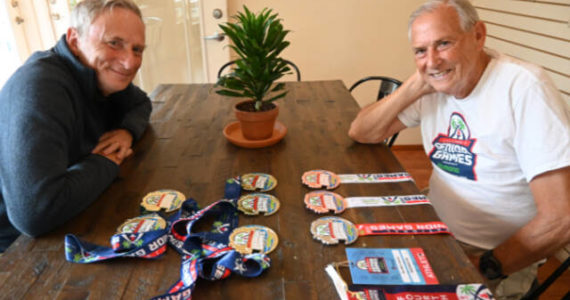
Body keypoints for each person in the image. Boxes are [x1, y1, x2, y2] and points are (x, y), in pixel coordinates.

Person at [349, 0, 570, 298]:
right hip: (433, 228)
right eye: (420, 50)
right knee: (349, 259)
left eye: (443, 44)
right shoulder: (435, 83)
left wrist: (486, 265)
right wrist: (416, 84)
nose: (432, 60)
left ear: (478, 35)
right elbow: (362, 132)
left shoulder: (525, 89)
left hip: (492, 252)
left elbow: (561, 219)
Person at [0, 0, 152, 253]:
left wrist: (127, 132)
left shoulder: (98, 75)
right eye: (114, 43)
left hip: (70, 215)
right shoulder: (41, 87)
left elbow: (141, 104)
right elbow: (34, 214)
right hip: (15, 248)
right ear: (74, 40)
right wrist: (107, 161)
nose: (129, 62)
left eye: (137, 49)